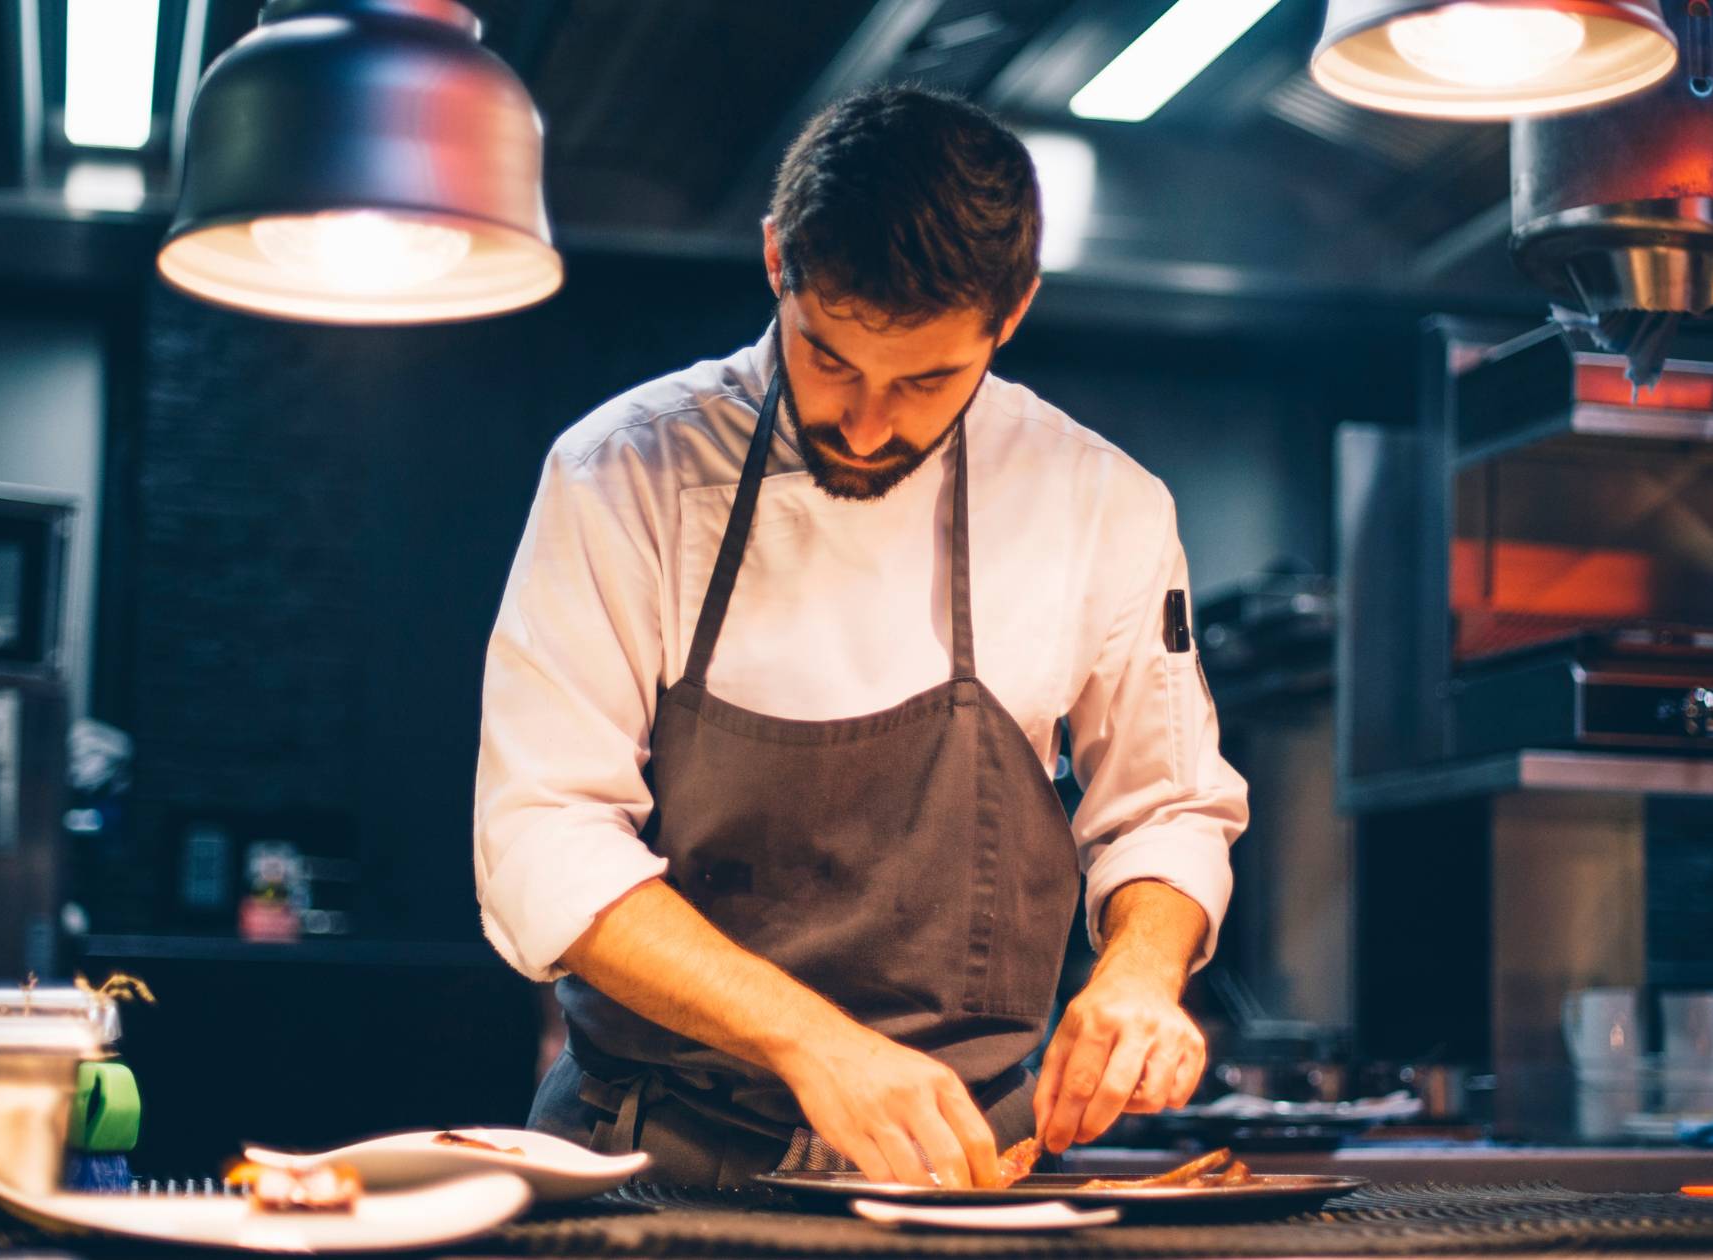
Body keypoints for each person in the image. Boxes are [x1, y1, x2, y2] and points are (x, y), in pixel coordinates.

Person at [475, 86, 1247, 1189]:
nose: (868, 425)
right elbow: (540, 837)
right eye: (829, 359)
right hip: (650, 1152)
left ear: (1011, 313)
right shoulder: (620, 474)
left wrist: (1136, 971)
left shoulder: (1100, 504)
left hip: (962, 1170)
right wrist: (814, 1042)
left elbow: (1166, 805)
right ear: (776, 263)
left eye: (927, 379)